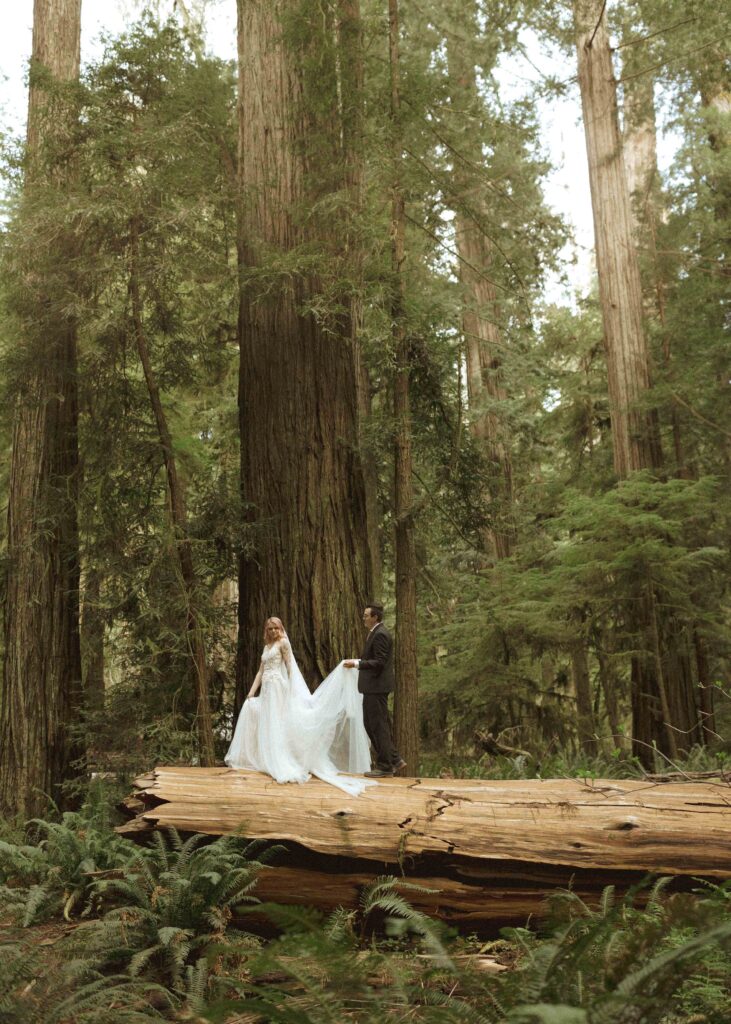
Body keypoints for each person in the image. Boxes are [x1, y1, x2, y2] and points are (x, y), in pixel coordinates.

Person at [225, 617, 374, 796]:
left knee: (277, 720)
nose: (273, 631)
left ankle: (281, 759)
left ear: (281, 629)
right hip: (266, 687)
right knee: (263, 717)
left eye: (276, 628)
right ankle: (267, 756)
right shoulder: (267, 647)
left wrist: (290, 690)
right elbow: (260, 671)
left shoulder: (283, 643)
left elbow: (289, 667)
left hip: (278, 687)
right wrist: (251, 692)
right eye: (270, 629)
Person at [344, 605, 405, 778]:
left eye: (366, 615)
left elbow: (379, 662)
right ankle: (394, 759)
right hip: (372, 688)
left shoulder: (380, 634)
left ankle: (386, 766)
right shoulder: (376, 632)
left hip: (377, 687)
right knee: (371, 725)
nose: (363, 618)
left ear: (375, 617)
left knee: (378, 726)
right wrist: (359, 661)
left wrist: (357, 664)